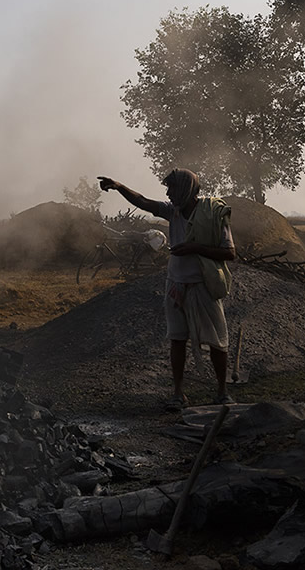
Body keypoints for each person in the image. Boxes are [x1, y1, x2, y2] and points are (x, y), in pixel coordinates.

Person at [98, 169, 236, 410]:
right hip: (176, 285)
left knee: (217, 341)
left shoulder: (212, 214)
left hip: (204, 285)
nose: (168, 194)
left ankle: (222, 392)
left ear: (185, 189)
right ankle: (178, 393)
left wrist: (193, 248)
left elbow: (229, 253)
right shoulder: (173, 211)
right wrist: (119, 186)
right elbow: (143, 202)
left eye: (172, 189)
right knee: (177, 340)